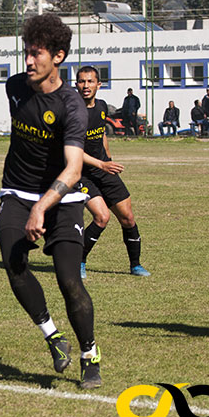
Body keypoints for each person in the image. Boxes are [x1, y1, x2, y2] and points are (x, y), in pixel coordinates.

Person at [0, 14, 101, 389]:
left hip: (64, 197)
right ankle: (54, 337)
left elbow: (73, 169)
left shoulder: (73, 106)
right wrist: (29, 202)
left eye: (36, 54)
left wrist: (43, 206)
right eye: (26, 53)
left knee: (69, 280)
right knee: (14, 263)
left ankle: (90, 352)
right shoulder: (14, 88)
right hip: (17, 191)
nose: (28, 61)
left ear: (58, 56)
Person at [75, 65, 151, 281]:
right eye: (82, 81)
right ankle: (79, 261)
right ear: (76, 85)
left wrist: (108, 159)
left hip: (104, 168)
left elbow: (101, 136)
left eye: (90, 81)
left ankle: (135, 265)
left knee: (127, 217)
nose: (86, 85)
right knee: (101, 217)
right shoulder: (73, 112)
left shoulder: (101, 107)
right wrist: (102, 165)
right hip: (82, 173)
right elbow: (73, 150)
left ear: (99, 84)